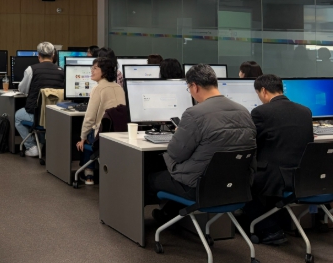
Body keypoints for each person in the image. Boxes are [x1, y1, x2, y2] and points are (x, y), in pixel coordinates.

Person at [148, 64, 256, 222]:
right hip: (236, 187)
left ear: (194, 86)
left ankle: (154, 223)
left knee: (150, 177)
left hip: (199, 188)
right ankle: (170, 215)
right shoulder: (244, 111)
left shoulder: (195, 114)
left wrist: (178, 134)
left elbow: (176, 154)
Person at [243, 74, 313, 244]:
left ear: (263, 91)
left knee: (242, 181)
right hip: (301, 177)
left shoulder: (260, 112)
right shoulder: (305, 111)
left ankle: (269, 229)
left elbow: (251, 142)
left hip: (275, 178)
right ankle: (274, 222)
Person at [75, 57, 125, 184]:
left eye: (95, 68)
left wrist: (82, 137)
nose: (91, 71)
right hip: (120, 134)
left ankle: (89, 173)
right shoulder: (119, 88)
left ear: (104, 71)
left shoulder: (98, 89)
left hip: (102, 134)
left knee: (87, 135)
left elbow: (90, 118)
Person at [16, 42, 64, 158]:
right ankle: (42, 143)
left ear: (38, 55)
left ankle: (32, 147)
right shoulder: (62, 70)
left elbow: (22, 89)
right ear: (53, 55)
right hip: (56, 114)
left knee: (18, 116)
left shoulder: (31, 69)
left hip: (37, 114)